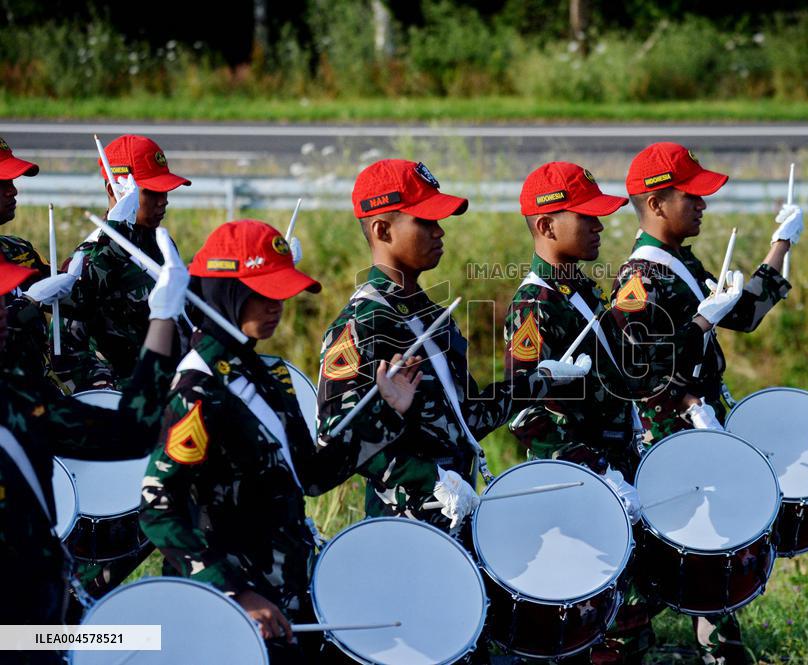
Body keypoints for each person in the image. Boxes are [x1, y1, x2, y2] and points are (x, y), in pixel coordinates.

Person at [139, 220, 371, 664]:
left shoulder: (263, 374)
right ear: (226, 292)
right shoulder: (197, 387)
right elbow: (157, 504)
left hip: (285, 598)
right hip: (229, 614)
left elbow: (311, 475)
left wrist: (385, 410)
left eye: (281, 292)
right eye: (263, 293)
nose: (277, 306)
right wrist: (234, 590)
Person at [316, 158, 587, 532]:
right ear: (382, 229)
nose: (439, 231)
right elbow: (334, 440)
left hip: (458, 518)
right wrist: (432, 480)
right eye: (425, 221)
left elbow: (467, 418)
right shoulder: (360, 325)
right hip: (402, 528)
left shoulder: (435, 319)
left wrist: (540, 378)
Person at [609, 142, 802, 664]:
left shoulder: (680, 262)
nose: (702, 204)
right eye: (690, 195)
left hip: (697, 433)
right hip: (668, 444)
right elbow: (642, 370)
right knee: (672, 572)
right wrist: (699, 337)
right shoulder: (639, 277)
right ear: (654, 203)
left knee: (708, 568)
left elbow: (742, 315)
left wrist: (779, 246)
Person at [0, 231, 186, 665]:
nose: (7, 312)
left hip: (34, 633)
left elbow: (133, 432)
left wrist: (161, 323)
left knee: (141, 643)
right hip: (16, 634)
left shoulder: (20, 400)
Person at [504, 161, 652, 664]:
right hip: (580, 491)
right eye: (586, 217)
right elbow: (526, 417)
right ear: (546, 226)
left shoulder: (580, 290)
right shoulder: (534, 306)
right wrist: (601, 473)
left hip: (617, 474)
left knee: (631, 620)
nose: (600, 226)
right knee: (598, 627)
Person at [58, 134, 192, 392]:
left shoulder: (159, 241)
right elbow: (67, 352)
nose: (163, 200)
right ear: (115, 190)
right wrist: (114, 391)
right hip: (134, 404)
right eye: (151, 192)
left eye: (165, 190)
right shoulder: (89, 257)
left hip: (175, 390)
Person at [0, 137, 81, 382]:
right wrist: (28, 303)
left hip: (31, 399)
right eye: (2, 183)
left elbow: (77, 300)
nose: (13, 190)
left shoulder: (18, 251)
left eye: (12, 181)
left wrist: (109, 234)